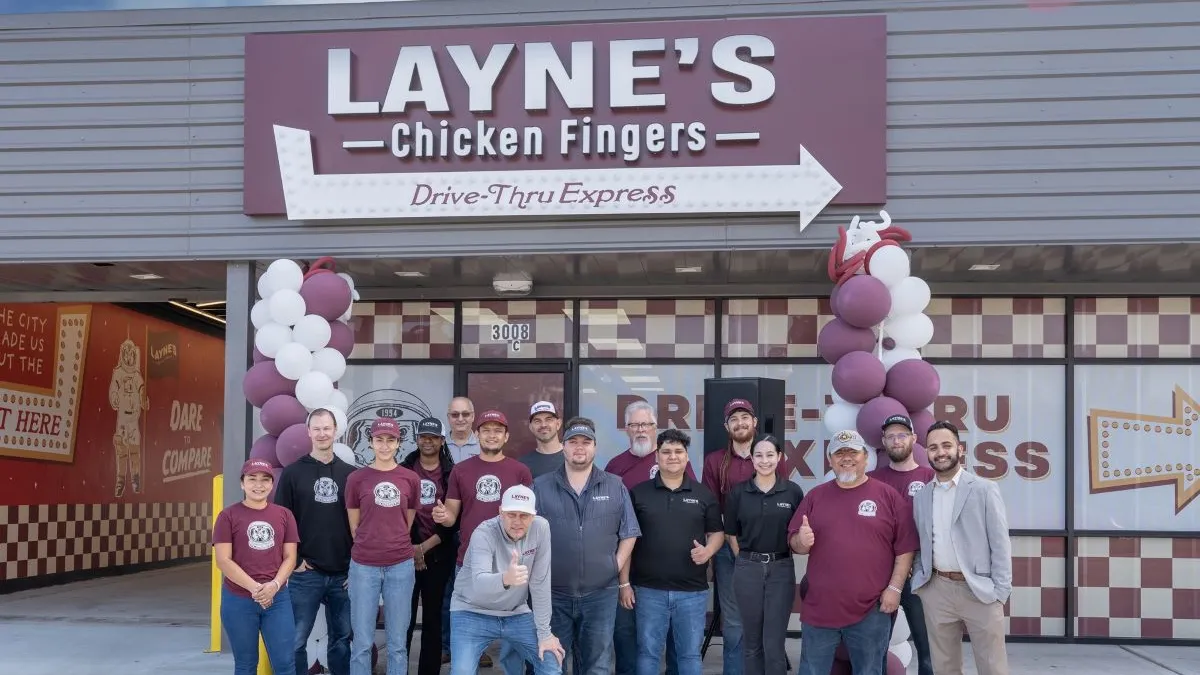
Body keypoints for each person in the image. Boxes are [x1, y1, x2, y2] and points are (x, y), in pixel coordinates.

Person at [788, 429, 918, 675]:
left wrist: (895, 588)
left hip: (872, 610)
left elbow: (905, 548)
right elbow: (796, 542)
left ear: (865, 457)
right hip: (820, 609)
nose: (846, 458)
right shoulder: (816, 496)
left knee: (869, 671)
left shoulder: (887, 496)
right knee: (812, 671)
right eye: (839, 453)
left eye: (853, 452)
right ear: (830, 460)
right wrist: (801, 541)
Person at [534, 419, 641, 675]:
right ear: (563, 447)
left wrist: (613, 565)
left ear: (595, 448)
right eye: (573, 442)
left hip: (600, 594)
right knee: (551, 663)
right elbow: (524, 533)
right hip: (553, 594)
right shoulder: (541, 486)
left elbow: (629, 532)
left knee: (597, 665)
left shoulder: (615, 485)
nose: (579, 448)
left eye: (586, 442)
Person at [433, 409, 534, 670]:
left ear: (506, 436)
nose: (491, 435)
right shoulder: (461, 471)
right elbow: (452, 516)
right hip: (469, 563)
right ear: (476, 434)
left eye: (497, 430)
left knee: (515, 644)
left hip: (510, 563)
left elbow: (528, 519)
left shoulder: (520, 471)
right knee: (468, 642)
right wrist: (442, 516)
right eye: (486, 430)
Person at [911, 421, 1012, 675]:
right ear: (927, 453)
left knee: (992, 667)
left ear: (960, 448)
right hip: (937, 590)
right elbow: (922, 542)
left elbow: (1000, 544)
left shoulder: (984, 489)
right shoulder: (922, 496)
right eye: (933, 447)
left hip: (980, 590)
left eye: (946, 445)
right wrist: (924, 584)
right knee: (944, 668)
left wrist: (1000, 591)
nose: (940, 452)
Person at [604, 400, 692, 675]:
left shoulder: (676, 461)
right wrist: (621, 579)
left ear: (656, 427)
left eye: (646, 424)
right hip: (628, 566)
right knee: (626, 634)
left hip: (670, 568)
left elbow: (692, 512)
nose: (641, 430)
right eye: (635, 425)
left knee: (673, 639)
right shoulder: (615, 466)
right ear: (626, 429)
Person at [701, 399, 787, 675]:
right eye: (734, 419)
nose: (740, 423)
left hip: (771, 554)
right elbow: (712, 511)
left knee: (769, 621)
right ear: (727, 426)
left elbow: (782, 498)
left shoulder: (770, 457)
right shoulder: (715, 461)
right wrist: (720, 550)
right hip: (730, 552)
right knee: (736, 622)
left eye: (745, 417)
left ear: (755, 423)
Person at [626, 429, 723, 675]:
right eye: (666, 452)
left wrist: (708, 551)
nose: (672, 456)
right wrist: (624, 583)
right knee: (647, 652)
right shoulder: (639, 493)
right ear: (657, 456)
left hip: (692, 592)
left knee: (689, 655)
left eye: (678, 451)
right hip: (648, 590)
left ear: (687, 457)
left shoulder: (703, 494)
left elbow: (717, 532)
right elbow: (626, 540)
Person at [449, 485, 566, 675]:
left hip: (516, 613)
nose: (517, 522)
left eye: (524, 516)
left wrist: (545, 633)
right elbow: (479, 582)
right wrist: (506, 579)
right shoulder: (483, 532)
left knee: (551, 663)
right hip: (471, 611)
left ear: (534, 515)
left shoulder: (541, 528)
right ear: (500, 512)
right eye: (512, 515)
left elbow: (540, 583)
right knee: (461, 671)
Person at [274, 408, 354, 675]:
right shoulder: (293, 473)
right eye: (316, 428)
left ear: (336, 431)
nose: (322, 433)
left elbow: (361, 526)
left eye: (327, 428)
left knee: (342, 640)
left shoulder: (350, 475)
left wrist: (356, 565)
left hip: (344, 573)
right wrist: (294, 560)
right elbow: (280, 522)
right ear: (308, 432)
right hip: (306, 573)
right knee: (295, 640)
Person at [345, 417, 422, 675]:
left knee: (398, 644)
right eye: (380, 440)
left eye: (391, 440)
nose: (385, 445)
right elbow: (355, 525)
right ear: (371, 442)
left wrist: (391, 541)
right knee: (362, 643)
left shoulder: (410, 479)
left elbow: (407, 520)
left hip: (400, 564)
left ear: (399, 443)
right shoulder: (357, 479)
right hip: (364, 566)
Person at [724, 436, 804, 675]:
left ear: (779, 457)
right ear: (751, 458)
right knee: (751, 642)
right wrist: (746, 560)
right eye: (758, 455)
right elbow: (731, 534)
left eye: (770, 455)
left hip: (781, 569)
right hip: (748, 569)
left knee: (774, 643)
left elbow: (798, 531)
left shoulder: (792, 491)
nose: (764, 460)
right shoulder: (738, 493)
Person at [214, 459, 299, 675]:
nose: (258, 485)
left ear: (272, 485)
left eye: (265, 480)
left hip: (277, 599)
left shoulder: (284, 515)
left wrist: (274, 585)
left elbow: (290, 557)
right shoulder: (227, 516)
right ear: (242, 484)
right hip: (239, 600)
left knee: (285, 663)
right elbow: (223, 560)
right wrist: (256, 589)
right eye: (252, 479)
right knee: (245, 664)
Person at [867, 414, 935, 675]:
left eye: (902, 435)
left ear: (914, 439)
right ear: (884, 442)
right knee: (874, 646)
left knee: (928, 650)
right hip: (881, 571)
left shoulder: (930, 477)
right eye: (891, 436)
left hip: (920, 572)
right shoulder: (872, 480)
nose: (897, 440)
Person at [402, 417, 458, 675]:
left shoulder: (451, 472)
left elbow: (455, 520)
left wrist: (423, 548)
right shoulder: (403, 469)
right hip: (404, 554)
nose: (428, 440)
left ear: (442, 441)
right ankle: (398, 668)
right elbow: (394, 514)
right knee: (403, 619)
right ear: (417, 439)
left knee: (434, 619)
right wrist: (412, 548)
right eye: (424, 436)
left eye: (433, 437)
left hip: (438, 555)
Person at [442, 396, 482, 664]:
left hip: (474, 531)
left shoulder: (484, 447)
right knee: (447, 593)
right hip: (442, 528)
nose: (460, 419)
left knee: (476, 594)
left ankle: (476, 650)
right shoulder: (438, 446)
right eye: (455, 415)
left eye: (465, 414)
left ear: (473, 416)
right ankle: (448, 646)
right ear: (448, 417)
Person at [520, 401, 565, 478]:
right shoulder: (523, 465)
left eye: (548, 419)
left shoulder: (573, 457)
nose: (543, 425)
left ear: (558, 424)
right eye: (537, 421)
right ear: (531, 427)